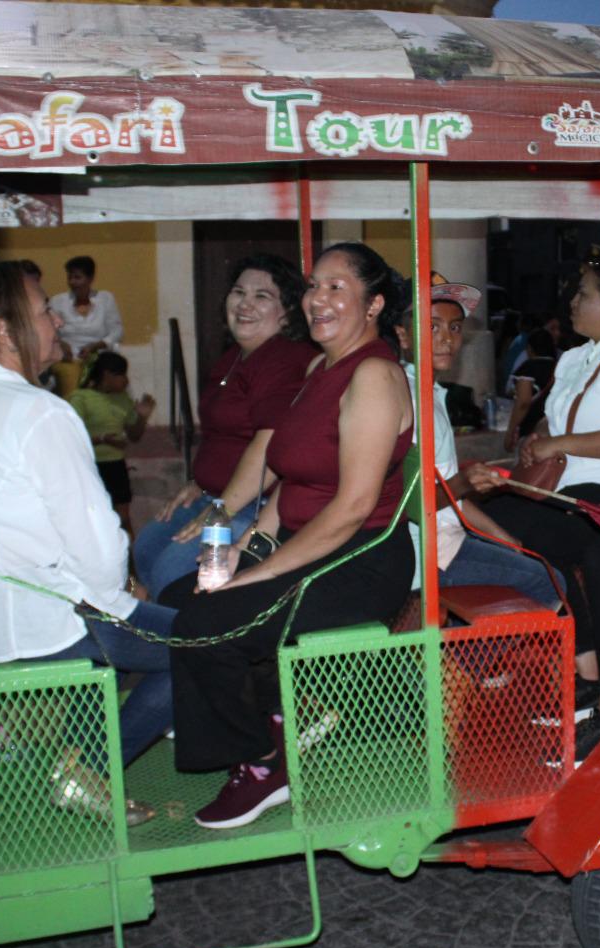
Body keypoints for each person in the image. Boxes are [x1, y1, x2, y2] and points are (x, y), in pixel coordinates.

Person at [163, 242, 415, 830]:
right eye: (312, 286)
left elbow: (352, 507)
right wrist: (249, 542)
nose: (317, 300)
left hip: (361, 557)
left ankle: (261, 762)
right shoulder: (317, 367)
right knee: (183, 597)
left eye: (336, 288)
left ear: (374, 304)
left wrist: (259, 572)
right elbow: (290, 478)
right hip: (306, 544)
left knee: (210, 625)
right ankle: (268, 717)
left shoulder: (374, 375)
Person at [0, 261, 174, 826]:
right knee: (205, 650)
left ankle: (82, 767)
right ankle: (87, 768)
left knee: (127, 635)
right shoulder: (38, 412)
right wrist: (126, 589)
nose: (56, 323)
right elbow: (96, 546)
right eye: (43, 311)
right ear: (1, 327)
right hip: (44, 611)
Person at [468, 258, 600, 751]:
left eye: (583, 295)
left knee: (574, 548)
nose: (572, 304)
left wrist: (560, 444)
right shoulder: (576, 356)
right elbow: (552, 420)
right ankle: (589, 670)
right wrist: (540, 438)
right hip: (562, 488)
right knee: (497, 526)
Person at [135, 255, 316, 595]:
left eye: (262, 296)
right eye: (238, 292)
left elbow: (270, 448)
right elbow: (222, 436)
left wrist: (221, 510)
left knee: (171, 573)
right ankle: (151, 623)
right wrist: (199, 481)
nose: (245, 303)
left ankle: (177, 639)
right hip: (215, 497)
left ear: (288, 311)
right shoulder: (233, 357)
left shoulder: (285, 360)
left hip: (253, 506)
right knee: (145, 547)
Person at [412, 279, 561, 608]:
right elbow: (412, 501)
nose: (446, 339)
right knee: (550, 579)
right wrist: (464, 482)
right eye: (432, 326)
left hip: (444, 540)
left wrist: (504, 538)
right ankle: (473, 661)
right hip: (431, 554)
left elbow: (453, 502)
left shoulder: (430, 393)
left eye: (454, 327)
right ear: (403, 333)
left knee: (525, 554)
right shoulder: (409, 396)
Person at [69, 350, 156, 535]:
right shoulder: (81, 398)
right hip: (90, 465)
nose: (126, 380)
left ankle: (129, 560)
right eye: (121, 375)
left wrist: (141, 417)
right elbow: (70, 436)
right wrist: (102, 440)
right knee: (92, 519)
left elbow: (134, 436)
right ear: (107, 375)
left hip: (116, 466)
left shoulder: (123, 399)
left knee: (123, 518)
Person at [46, 255, 123, 397]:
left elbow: (117, 331)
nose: (72, 282)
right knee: (70, 378)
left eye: (77, 277)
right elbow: (48, 331)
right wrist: (61, 344)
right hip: (69, 358)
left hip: (100, 356)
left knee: (107, 377)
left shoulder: (105, 299)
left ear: (90, 278)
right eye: (70, 277)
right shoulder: (58, 302)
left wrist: (95, 346)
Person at [504, 324, 559, 453]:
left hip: (531, 430)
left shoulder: (528, 368)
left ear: (529, 348)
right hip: (555, 430)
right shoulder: (561, 367)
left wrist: (510, 432)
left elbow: (523, 402)